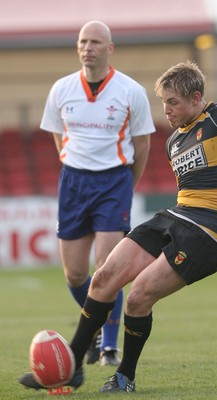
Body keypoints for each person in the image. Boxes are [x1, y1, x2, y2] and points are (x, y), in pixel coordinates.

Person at [19, 30, 217, 392]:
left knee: (140, 294)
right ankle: (72, 368)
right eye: (163, 103)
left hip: (213, 230)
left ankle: (124, 376)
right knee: (103, 277)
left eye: (172, 103)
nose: (166, 111)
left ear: (197, 98)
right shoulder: (173, 140)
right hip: (178, 215)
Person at [39, 20, 155, 366]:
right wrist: (73, 162)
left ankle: (107, 346)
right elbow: (58, 136)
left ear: (109, 48)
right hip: (73, 182)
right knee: (75, 274)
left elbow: (143, 144)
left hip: (113, 182)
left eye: (95, 42)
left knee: (107, 268)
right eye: (82, 41)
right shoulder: (61, 89)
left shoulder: (130, 91)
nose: (87, 47)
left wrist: (125, 185)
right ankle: (91, 333)